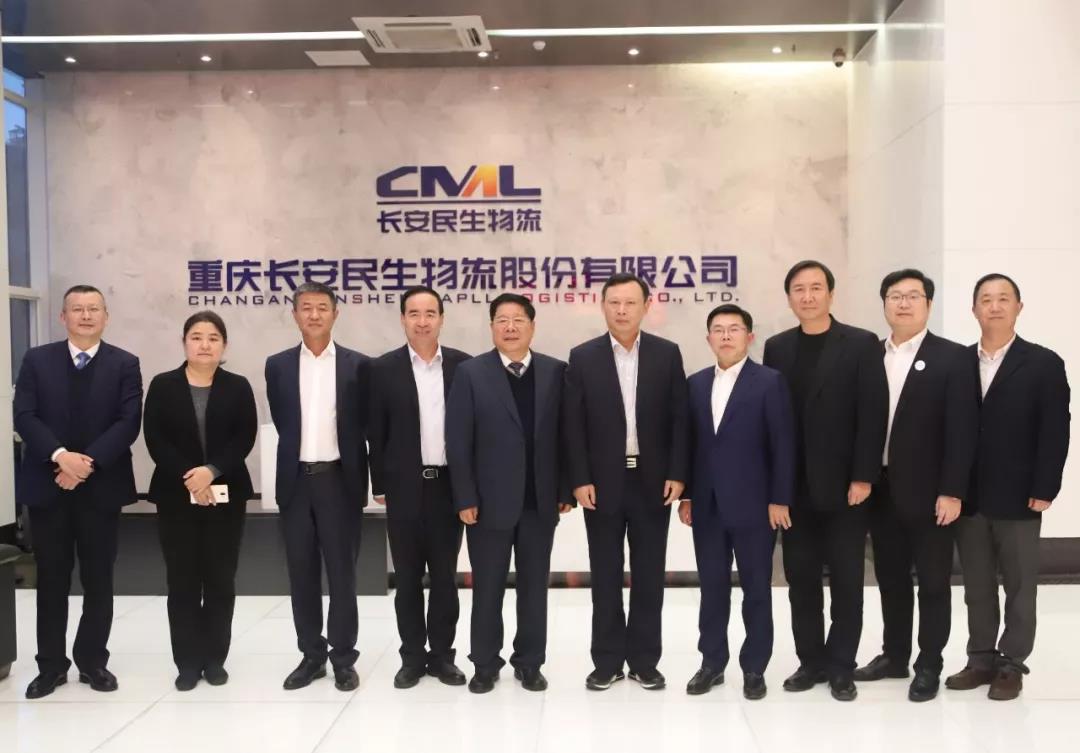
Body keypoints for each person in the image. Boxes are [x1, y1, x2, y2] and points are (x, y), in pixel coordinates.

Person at [762, 260, 888, 701]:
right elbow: (774, 422)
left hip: (846, 488)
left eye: (816, 288)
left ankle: (841, 666)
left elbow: (873, 413)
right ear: (789, 297)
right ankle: (810, 661)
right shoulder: (777, 347)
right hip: (794, 490)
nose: (808, 296)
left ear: (831, 294)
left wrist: (863, 476)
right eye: (799, 289)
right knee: (801, 581)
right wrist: (776, 489)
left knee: (848, 582)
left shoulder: (861, 343)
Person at [854, 270, 978, 702]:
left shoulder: (952, 358)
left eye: (913, 296)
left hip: (931, 494)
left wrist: (953, 490)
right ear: (884, 303)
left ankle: (929, 663)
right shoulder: (869, 354)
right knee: (890, 577)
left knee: (933, 582)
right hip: (880, 488)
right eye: (895, 296)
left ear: (928, 304)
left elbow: (963, 431)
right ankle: (894, 655)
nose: (903, 303)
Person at [14, 285, 143, 699]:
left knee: (98, 578)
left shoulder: (125, 363)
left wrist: (86, 464)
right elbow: (24, 415)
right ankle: (50, 666)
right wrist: (60, 456)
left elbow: (128, 422)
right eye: (77, 309)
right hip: (48, 485)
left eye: (93, 309)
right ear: (63, 317)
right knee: (51, 578)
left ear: (106, 316)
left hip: (100, 486)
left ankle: (92, 661)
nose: (85, 316)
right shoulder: (37, 360)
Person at [946, 273, 1070, 701]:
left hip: (1020, 494)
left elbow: (1055, 430)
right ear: (974, 309)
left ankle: (1012, 662)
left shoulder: (1043, 363)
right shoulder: (958, 363)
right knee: (977, 585)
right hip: (970, 496)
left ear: (1019, 307)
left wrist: (1045, 486)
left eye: (1003, 298)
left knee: (1019, 585)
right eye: (986, 299)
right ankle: (980, 658)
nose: (994, 306)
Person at [562, 272, 689, 691]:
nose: (622, 310)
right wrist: (579, 478)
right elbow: (573, 426)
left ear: (646, 306)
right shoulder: (583, 357)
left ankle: (645, 662)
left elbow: (679, 419)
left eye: (630, 303)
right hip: (602, 484)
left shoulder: (667, 355)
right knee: (605, 575)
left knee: (650, 575)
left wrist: (678, 473)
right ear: (603, 306)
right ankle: (607, 662)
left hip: (654, 482)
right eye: (614, 302)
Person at [446, 293, 572, 694]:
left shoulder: (556, 371)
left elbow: (566, 436)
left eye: (519, 319)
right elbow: (458, 440)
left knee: (534, 589)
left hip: (540, 501)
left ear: (532, 326)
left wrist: (564, 489)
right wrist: (465, 497)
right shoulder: (470, 373)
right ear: (492, 327)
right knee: (488, 588)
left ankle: (530, 663)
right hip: (486, 504)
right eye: (502, 320)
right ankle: (485, 664)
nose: (511, 327)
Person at [680, 304, 795, 699]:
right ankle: (711, 663)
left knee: (756, 589)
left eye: (734, 329)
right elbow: (690, 446)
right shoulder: (695, 384)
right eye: (718, 329)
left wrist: (780, 499)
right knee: (712, 588)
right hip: (707, 506)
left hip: (756, 506)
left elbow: (783, 445)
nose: (726, 336)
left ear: (750, 336)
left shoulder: (769, 382)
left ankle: (754, 667)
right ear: (708, 338)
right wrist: (688, 496)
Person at [143, 311, 257, 691]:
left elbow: (244, 437)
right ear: (184, 342)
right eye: (196, 337)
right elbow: (155, 439)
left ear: (224, 345)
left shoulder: (238, 386)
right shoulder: (163, 385)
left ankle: (215, 659)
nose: (204, 344)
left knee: (221, 579)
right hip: (176, 495)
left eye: (213, 338)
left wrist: (211, 471)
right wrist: (192, 476)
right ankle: (187, 662)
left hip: (227, 494)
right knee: (183, 580)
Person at [265, 282, 370, 692]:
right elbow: (283, 421)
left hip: (339, 481)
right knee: (301, 573)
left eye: (322, 307)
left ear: (335, 314)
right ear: (294, 314)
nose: (314, 315)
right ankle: (311, 655)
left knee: (342, 574)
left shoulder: (359, 366)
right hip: (295, 482)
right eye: (306, 307)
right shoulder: (277, 365)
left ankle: (343, 657)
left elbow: (364, 426)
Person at [369, 286, 471, 689]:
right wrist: (380, 483)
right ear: (402, 319)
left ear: (442, 318)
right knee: (408, 578)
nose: (422, 321)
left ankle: (443, 657)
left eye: (430, 313)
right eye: (414, 313)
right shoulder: (382, 369)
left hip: (448, 487)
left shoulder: (464, 366)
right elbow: (376, 431)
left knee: (445, 578)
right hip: (404, 487)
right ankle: (411, 658)